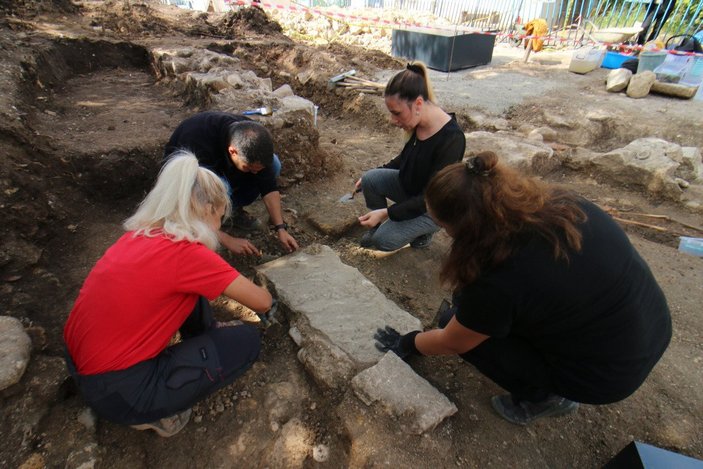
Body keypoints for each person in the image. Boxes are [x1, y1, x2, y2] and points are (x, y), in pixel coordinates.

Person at [375, 151, 672, 425]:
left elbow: (453, 341)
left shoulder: (499, 276)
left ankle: (546, 398)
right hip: (652, 324)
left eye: (442, 226)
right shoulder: (561, 203)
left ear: (465, 228)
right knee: (469, 310)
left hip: (609, 374)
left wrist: (408, 342)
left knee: (449, 323)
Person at [63, 151, 274, 437]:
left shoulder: (140, 235)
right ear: (208, 211)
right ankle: (152, 413)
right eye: (219, 217)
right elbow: (263, 302)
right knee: (247, 340)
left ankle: (202, 338)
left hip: (79, 360)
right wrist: (264, 285)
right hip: (119, 392)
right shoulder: (188, 254)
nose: (219, 226)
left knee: (192, 292)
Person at [355, 61, 466, 251]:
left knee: (383, 241)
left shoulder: (451, 140)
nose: (393, 121)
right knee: (369, 179)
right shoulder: (418, 122)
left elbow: (430, 197)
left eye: (397, 113)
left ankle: (425, 231)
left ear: (418, 104)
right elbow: (405, 158)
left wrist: (387, 212)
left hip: (432, 207)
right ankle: (382, 224)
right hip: (412, 191)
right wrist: (376, 173)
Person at [164, 111, 299, 255]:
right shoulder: (198, 142)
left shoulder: (253, 138)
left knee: (274, 165)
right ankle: (214, 221)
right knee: (221, 187)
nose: (254, 173)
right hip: (183, 183)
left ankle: (231, 211)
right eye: (249, 167)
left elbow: (268, 186)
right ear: (233, 151)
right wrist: (226, 239)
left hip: (221, 173)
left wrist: (281, 228)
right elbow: (190, 201)